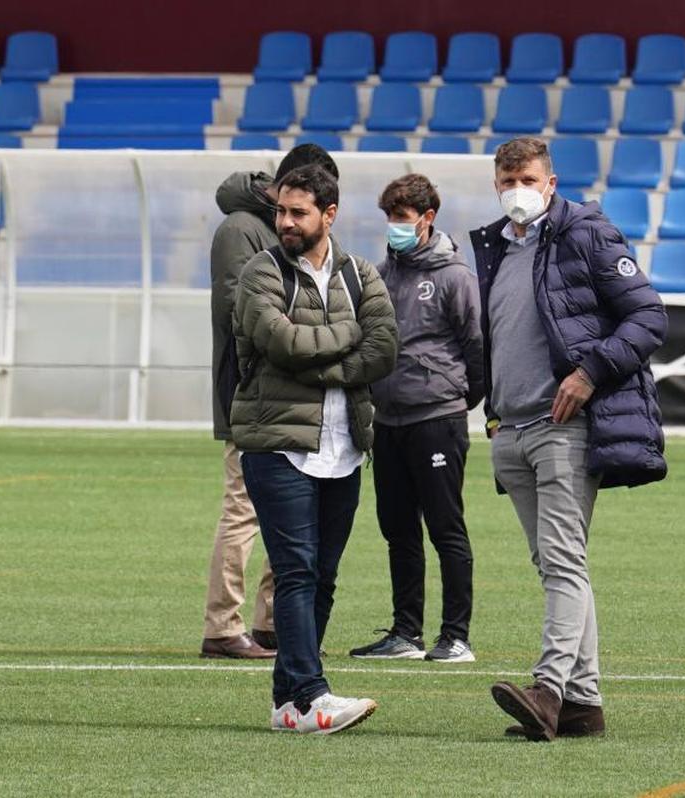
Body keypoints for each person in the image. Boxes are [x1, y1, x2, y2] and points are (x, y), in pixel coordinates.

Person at [470, 137, 668, 741]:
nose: (516, 190)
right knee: (556, 564)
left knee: (561, 561)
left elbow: (650, 315)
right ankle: (584, 703)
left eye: (527, 178)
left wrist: (590, 372)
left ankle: (549, 689)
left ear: (550, 183)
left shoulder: (586, 234)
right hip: (512, 427)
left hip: (565, 426)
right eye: (506, 180)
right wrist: (493, 414)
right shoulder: (492, 248)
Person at [231, 164, 398, 734]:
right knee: (296, 571)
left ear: (329, 214)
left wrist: (326, 363)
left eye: (298, 212)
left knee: (322, 576)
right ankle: (310, 697)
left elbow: (385, 349)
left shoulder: (359, 274)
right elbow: (280, 342)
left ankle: (287, 700)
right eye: (281, 211)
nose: (285, 222)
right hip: (277, 446)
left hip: (344, 448)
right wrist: (349, 339)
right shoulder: (261, 270)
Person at [203, 144, 340, 660]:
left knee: (289, 514)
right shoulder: (240, 229)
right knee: (243, 510)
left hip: (299, 398)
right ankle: (221, 626)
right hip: (250, 394)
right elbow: (239, 312)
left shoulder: (293, 233)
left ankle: (271, 624)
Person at [349, 174, 484, 663]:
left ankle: (457, 636)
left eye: (402, 218)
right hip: (388, 421)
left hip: (437, 419)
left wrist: (456, 399)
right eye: (389, 218)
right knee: (397, 528)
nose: (394, 227)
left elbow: (476, 347)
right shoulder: (382, 273)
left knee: (446, 527)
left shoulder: (454, 276)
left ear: (427, 219)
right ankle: (406, 633)